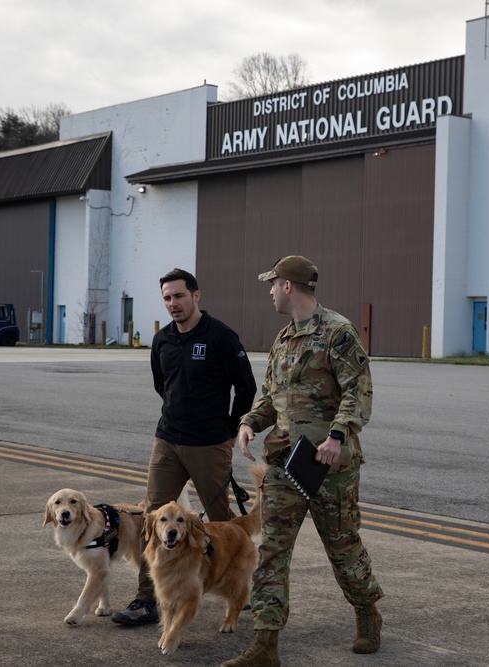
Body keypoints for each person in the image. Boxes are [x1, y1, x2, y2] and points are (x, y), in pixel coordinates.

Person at [221, 255, 384, 667]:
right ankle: (265, 644)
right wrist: (249, 423)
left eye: (272, 284)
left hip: (331, 468)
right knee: (272, 551)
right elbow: (269, 397)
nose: (270, 291)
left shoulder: (338, 332)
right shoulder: (283, 338)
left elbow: (359, 393)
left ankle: (367, 613)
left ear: (288, 285)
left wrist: (336, 434)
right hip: (284, 463)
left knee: (343, 548)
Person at [112, 268, 257, 625]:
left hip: (209, 444)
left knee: (223, 525)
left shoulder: (221, 336)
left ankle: (231, 589)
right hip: (167, 442)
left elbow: (247, 387)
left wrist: (227, 427)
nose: (173, 304)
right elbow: (163, 386)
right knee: (155, 522)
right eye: (167, 298)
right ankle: (147, 600)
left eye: (179, 296)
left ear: (196, 295)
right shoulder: (162, 340)